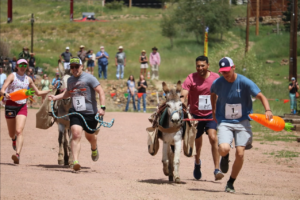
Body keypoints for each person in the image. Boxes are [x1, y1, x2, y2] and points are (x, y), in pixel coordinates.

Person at [210, 57, 272, 193]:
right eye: (222, 72)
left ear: (234, 67)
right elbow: (212, 93)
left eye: (227, 71)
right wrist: (213, 110)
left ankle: (231, 182)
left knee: (240, 154)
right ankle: (225, 156)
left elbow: (261, 96)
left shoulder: (244, 82)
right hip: (225, 121)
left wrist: (267, 110)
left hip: (242, 121)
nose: (225, 74)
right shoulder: (218, 83)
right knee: (224, 148)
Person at [48, 57, 106, 171]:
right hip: (76, 112)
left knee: (91, 137)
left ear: (81, 66)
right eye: (72, 67)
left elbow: (101, 91)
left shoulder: (89, 78)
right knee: (75, 134)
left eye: (76, 66)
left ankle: (94, 148)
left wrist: (102, 108)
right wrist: (55, 97)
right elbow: (67, 94)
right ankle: (75, 161)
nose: (74, 69)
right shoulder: (70, 80)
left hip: (90, 113)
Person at [181, 55, 223, 181]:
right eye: (198, 66)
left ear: (208, 66)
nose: (200, 68)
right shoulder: (191, 77)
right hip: (196, 115)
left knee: (213, 137)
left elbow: (222, 92)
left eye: (203, 65)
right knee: (198, 145)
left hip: (211, 114)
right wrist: (182, 101)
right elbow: (184, 92)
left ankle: (217, 169)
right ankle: (197, 163)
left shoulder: (216, 78)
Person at [0, 59, 49, 164]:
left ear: (27, 67)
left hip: (22, 106)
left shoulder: (29, 79)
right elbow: (2, 90)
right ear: (17, 66)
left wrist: (51, 90)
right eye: (20, 65)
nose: (23, 66)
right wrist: (5, 94)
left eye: (25, 65)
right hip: (10, 105)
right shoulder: (12, 76)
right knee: (11, 133)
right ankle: (13, 139)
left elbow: (38, 93)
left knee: (19, 131)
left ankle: (17, 155)